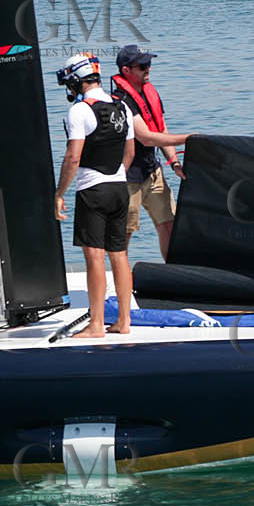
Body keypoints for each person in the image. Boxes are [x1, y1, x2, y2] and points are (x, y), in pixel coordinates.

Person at [55, 52, 135, 339]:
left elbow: (73, 158)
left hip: (93, 188)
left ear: (75, 81)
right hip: (119, 187)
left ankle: (97, 324)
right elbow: (130, 153)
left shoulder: (79, 110)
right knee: (120, 255)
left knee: (94, 257)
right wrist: (117, 176)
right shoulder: (122, 105)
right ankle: (124, 320)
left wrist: (59, 192)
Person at [108, 45, 189, 261]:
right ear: (126, 70)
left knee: (169, 225)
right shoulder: (121, 101)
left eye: (149, 65)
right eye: (142, 66)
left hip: (152, 172)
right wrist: (188, 138)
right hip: (127, 178)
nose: (148, 70)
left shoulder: (149, 93)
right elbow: (146, 137)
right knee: (124, 235)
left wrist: (174, 162)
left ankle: (175, 276)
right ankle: (120, 288)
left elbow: (161, 129)